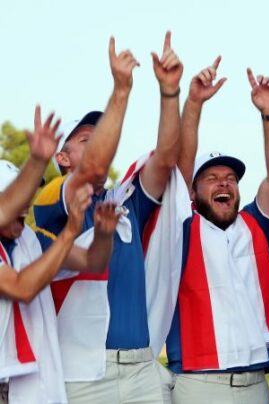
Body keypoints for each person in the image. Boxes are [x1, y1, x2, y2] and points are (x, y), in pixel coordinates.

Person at [33, 32, 184, 403]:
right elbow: (95, 166)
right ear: (63, 159)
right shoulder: (53, 197)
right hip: (83, 374)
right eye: (87, 137)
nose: (100, 140)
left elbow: (166, 160)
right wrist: (121, 90)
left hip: (141, 368)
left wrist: (169, 93)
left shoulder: (125, 202)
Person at [164, 57, 269, 404]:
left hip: (255, 382)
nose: (225, 184)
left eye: (231, 179)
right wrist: (194, 105)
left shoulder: (253, 225)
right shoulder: (181, 227)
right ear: (192, 191)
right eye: (212, 179)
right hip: (199, 385)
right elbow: (178, 169)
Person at [0, 159, 118, 404]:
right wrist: (70, 231)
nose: (25, 203)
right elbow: (22, 288)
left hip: (23, 382)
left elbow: (92, 262)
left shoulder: (31, 239)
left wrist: (103, 235)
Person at [0, 106, 60, 226]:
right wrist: (37, 162)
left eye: (27, 190)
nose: (26, 198)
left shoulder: (27, 236)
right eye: (16, 192)